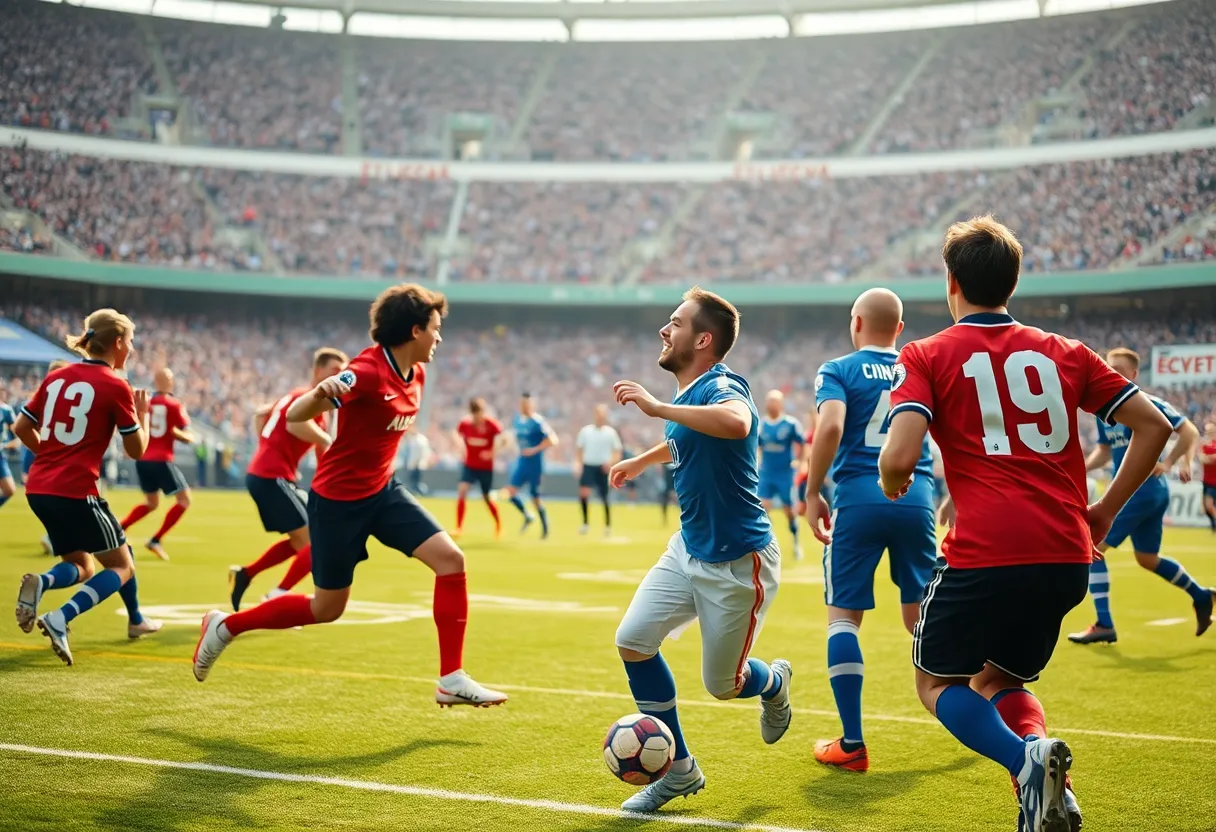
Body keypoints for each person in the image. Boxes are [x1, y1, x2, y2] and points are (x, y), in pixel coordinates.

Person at [879, 216, 1172, 832]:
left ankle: (1023, 759)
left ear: (950, 282)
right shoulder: (1066, 351)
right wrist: (1106, 509)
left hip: (985, 551)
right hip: (1066, 553)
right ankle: (1045, 794)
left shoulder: (926, 353)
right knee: (999, 678)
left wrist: (891, 481)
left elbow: (900, 457)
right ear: (1012, 282)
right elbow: (1155, 427)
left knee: (937, 682)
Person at [192, 284, 508, 708]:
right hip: (338, 503)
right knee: (327, 609)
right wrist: (321, 394)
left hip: (383, 491)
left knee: (451, 560)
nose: (439, 338)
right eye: (436, 329)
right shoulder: (365, 371)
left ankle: (451, 678)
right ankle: (225, 627)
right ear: (415, 330)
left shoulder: (417, 372)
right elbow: (294, 414)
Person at [609, 286, 792, 813]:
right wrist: (643, 460)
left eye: (676, 323)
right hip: (686, 549)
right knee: (633, 641)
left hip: (738, 562)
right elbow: (686, 438)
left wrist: (655, 405)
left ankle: (773, 681)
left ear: (704, 339)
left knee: (723, 686)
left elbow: (736, 422)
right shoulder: (689, 397)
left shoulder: (721, 383)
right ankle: (679, 771)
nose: (665, 331)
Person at [805, 287, 936, 773]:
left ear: (855, 322)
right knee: (920, 616)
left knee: (843, 618)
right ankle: (978, 701)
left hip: (859, 496)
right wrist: (956, 496)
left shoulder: (837, 368)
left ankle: (853, 743)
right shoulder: (918, 365)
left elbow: (832, 426)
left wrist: (813, 488)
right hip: (916, 496)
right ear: (898, 329)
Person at [13, 309, 165, 665]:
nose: (131, 348)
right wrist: (142, 416)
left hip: (39, 488)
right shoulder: (116, 385)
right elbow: (136, 450)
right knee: (122, 565)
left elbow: (22, 428)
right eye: (130, 341)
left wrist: (52, 455)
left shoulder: (58, 377)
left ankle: (44, 582)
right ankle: (61, 617)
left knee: (82, 564)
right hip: (76, 490)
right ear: (116, 342)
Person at [1069, 349, 1210, 644]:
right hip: (1142, 493)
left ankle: (1104, 623)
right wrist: (1078, 467)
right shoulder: (1105, 412)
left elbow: (1189, 432)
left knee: (1090, 545)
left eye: (1120, 369)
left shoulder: (1147, 404)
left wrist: (1171, 463)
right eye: (1110, 368)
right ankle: (1200, 595)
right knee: (1147, 558)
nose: (1114, 373)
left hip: (1142, 490)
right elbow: (1105, 451)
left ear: (1134, 375)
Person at [228, 347, 348, 611]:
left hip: (268, 474)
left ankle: (246, 574)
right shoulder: (311, 399)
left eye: (343, 373)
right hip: (273, 476)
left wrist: (269, 448)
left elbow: (261, 414)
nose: (340, 378)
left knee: (299, 542)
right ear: (318, 372)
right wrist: (324, 439)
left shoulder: (299, 397)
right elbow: (295, 426)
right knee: (318, 542)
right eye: (335, 372)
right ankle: (277, 596)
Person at [119, 367, 195, 560]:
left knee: (152, 503)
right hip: (162, 459)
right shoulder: (174, 405)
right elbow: (187, 436)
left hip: (142, 459)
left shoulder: (146, 403)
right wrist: (178, 434)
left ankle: (120, 529)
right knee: (184, 500)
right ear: (169, 383)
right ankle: (156, 539)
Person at [757, 390, 805, 560]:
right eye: (768, 401)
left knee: (788, 511)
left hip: (785, 474)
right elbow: (758, 445)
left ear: (781, 404)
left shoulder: (790, 424)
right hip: (767, 473)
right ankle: (767, 544)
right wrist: (759, 460)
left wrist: (799, 461)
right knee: (762, 507)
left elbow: (802, 442)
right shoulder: (761, 424)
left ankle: (796, 541)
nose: (770, 404)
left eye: (774, 401)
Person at [504, 392, 557, 538]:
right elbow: (515, 439)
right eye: (522, 404)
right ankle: (527, 516)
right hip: (522, 462)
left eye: (527, 404)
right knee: (510, 492)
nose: (524, 407)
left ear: (532, 405)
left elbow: (553, 440)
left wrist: (535, 449)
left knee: (535, 497)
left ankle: (545, 527)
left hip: (535, 464)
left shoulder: (538, 422)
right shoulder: (517, 420)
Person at [453, 397, 505, 538]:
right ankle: (458, 528)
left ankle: (498, 524)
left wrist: (492, 453)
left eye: (480, 413)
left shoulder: (492, 425)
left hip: (485, 468)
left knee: (487, 498)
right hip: (469, 465)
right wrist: (459, 445)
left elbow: (504, 440)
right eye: (475, 414)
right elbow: (455, 435)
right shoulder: (465, 424)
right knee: (462, 491)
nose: (478, 417)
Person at [576, 404, 622, 536]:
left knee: (604, 496)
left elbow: (617, 451)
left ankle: (607, 525)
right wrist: (578, 464)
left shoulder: (610, 433)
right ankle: (585, 523)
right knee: (584, 493)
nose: (600, 416)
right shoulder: (586, 431)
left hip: (603, 467)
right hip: (588, 465)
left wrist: (611, 463)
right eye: (598, 413)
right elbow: (579, 450)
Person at [0, 397, 16, 513]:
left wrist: (6, 445)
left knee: (9, 490)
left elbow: (17, 433)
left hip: (0, 454)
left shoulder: (5, 410)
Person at [1201, 421, 1216, 533]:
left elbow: (1206, 459)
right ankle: (1213, 527)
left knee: (1209, 505)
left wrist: (1209, 458)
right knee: (1206, 508)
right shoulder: (1204, 445)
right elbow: (1202, 459)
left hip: (1214, 481)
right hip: (1206, 480)